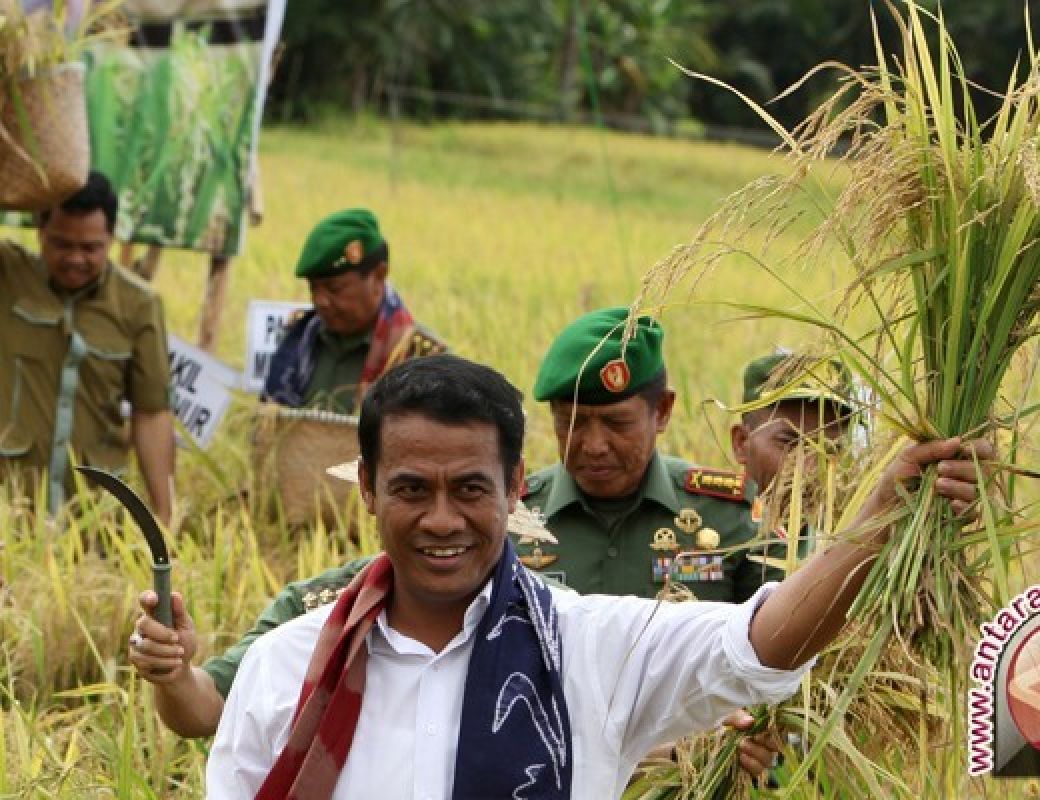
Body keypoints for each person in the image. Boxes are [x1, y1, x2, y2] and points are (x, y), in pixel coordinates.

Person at [198, 354, 986, 798]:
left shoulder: (592, 646)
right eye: (411, 489)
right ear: (368, 488)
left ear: (515, 491)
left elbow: (762, 644)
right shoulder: (288, 667)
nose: (442, 519)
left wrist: (880, 520)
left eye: (471, 489)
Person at [517, 306, 781, 602]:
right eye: (571, 423)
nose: (594, 446)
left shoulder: (732, 517)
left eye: (617, 423)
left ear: (663, 411)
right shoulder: (511, 520)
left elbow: (778, 638)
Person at [0, 171, 174, 520]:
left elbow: (151, 412)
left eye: (90, 248)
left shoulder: (138, 304)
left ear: (111, 238)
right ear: (39, 231)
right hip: (12, 507)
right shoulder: (9, 276)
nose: (75, 259)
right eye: (62, 244)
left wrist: (164, 518)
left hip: (94, 513)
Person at [261, 208, 446, 414]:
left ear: (378, 275)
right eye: (313, 288)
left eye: (334, 289)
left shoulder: (420, 357)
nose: (320, 301)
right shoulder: (300, 338)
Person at [731, 351, 858, 558]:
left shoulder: (857, 542)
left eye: (830, 450)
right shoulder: (709, 531)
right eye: (789, 443)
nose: (809, 468)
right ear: (741, 443)